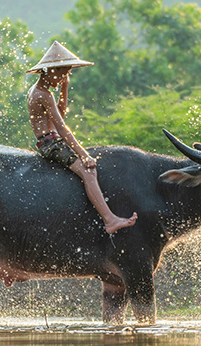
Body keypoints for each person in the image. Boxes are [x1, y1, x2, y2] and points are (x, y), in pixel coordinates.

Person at [26, 41, 137, 234]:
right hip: (51, 144)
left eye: (67, 74)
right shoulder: (43, 95)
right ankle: (109, 220)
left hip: (50, 141)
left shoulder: (39, 91)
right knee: (88, 172)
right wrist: (84, 154)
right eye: (63, 73)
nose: (64, 78)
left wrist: (64, 88)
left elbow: (60, 115)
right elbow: (62, 128)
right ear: (50, 70)